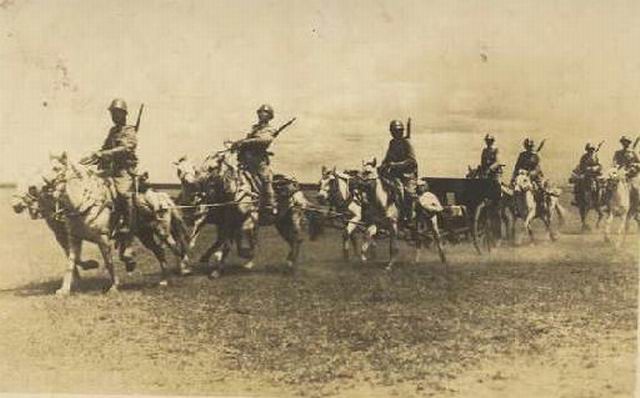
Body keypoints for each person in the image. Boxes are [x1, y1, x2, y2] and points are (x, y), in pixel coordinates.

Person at [86, 98, 138, 268]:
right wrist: (92, 157)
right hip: (110, 171)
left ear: (123, 114)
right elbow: (104, 148)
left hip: (124, 171)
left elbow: (126, 148)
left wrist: (104, 154)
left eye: (116, 113)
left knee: (124, 195)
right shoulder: (112, 131)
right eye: (112, 113)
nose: (113, 116)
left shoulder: (129, 130)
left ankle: (129, 240)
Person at [233, 104, 278, 218]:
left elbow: (265, 140)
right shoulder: (254, 128)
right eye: (260, 112)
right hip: (245, 161)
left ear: (270, 116)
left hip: (259, 162)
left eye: (265, 112)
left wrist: (244, 142)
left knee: (265, 178)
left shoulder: (270, 129)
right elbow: (248, 140)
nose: (261, 114)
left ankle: (271, 204)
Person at [380, 119, 418, 223]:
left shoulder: (407, 143)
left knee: (407, 193)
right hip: (395, 175)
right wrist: (382, 166)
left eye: (397, 131)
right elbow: (388, 158)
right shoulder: (392, 143)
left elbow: (412, 161)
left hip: (407, 176)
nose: (394, 133)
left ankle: (408, 216)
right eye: (392, 131)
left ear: (401, 131)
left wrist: (395, 165)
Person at [571, 142, 603, 207]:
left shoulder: (596, 156)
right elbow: (581, 166)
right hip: (586, 174)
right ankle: (577, 200)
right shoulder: (584, 157)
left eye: (592, 149)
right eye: (589, 149)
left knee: (600, 185)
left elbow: (600, 165)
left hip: (595, 174)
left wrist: (595, 168)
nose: (591, 151)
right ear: (587, 150)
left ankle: (599, 200)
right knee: (578, 184)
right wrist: (587, 169)